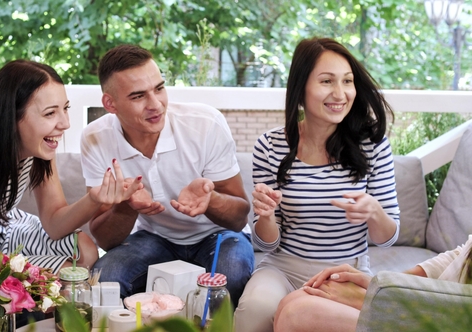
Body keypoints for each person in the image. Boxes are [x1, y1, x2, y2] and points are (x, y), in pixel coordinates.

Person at [233, 37, 400, 332]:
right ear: (301, 88)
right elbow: (264, 243)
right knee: (254, 311)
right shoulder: (270, 145)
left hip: (346, 272)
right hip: (283, 268)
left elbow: (388, 237)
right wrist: (267, 215)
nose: (340, 93)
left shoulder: (372, 145)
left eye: (347, 81)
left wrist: (374, 211)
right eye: (326, 81)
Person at [0, 59, 143, 275]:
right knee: (68, 274)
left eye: (65, 109)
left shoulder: (39, 147)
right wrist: (31, 271)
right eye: (50, 113)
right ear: (11, 117)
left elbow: (55, 224)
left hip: (5, 230)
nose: (65, 123)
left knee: (84, 251)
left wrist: (95, 199)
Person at [80, 44, 254, 306]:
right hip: (154, 236)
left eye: (159, 88)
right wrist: (128, 207)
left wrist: (211, 201)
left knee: (232, 277)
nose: (155, 104)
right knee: (105, 279)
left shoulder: (205, 123)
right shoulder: (95, 138)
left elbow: (239, 218)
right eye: (138, 96)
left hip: (218, 234)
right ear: (110, 103)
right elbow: (105, 238)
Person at [274, 234, 472, 331]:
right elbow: (462, 254)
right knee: (290, 302)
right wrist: (378, 285)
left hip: (446, 318)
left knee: (298, 313)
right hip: (435, 301)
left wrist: (376, 298)